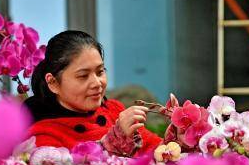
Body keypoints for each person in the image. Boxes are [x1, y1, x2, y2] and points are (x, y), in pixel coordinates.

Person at [25, 30, 162, 157]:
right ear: (53, 83)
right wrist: (115, 141)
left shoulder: (114, 111)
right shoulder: (42, 135)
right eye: (83, 76)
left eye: (100, 72)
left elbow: (154, 148)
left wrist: (177, 138)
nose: (97, 83)